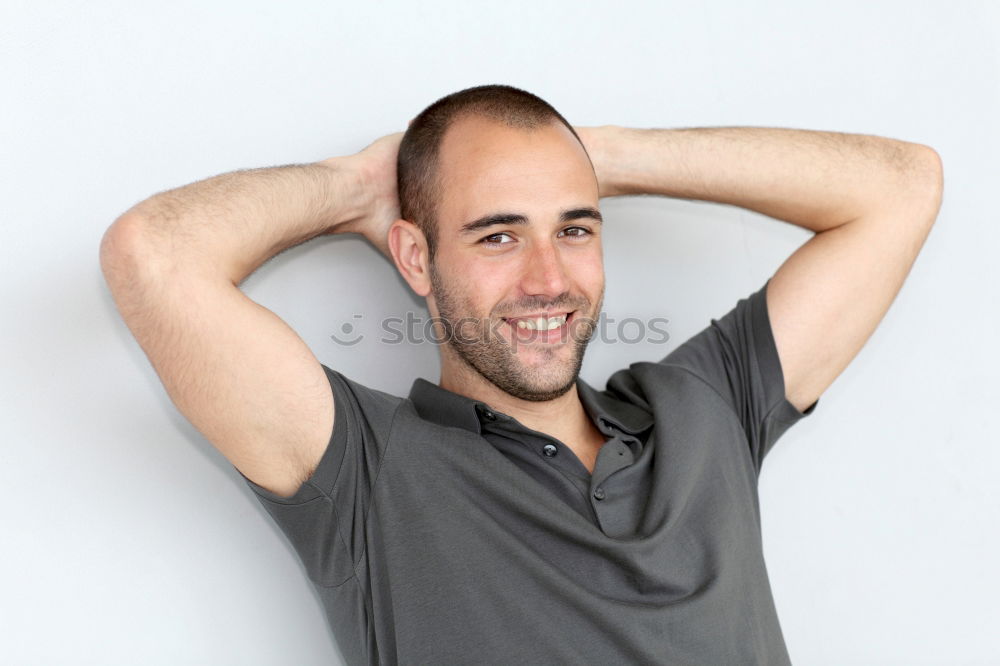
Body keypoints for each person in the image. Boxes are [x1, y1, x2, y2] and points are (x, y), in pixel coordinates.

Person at [99, 84, 943, 665]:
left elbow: (903, 185)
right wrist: (361, 184)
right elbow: (153, 255)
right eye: (498, 236)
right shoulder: (365, 470)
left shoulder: (705, 403)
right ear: (416, 259)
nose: (547, 278)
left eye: (575, 229)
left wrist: (601, 156)